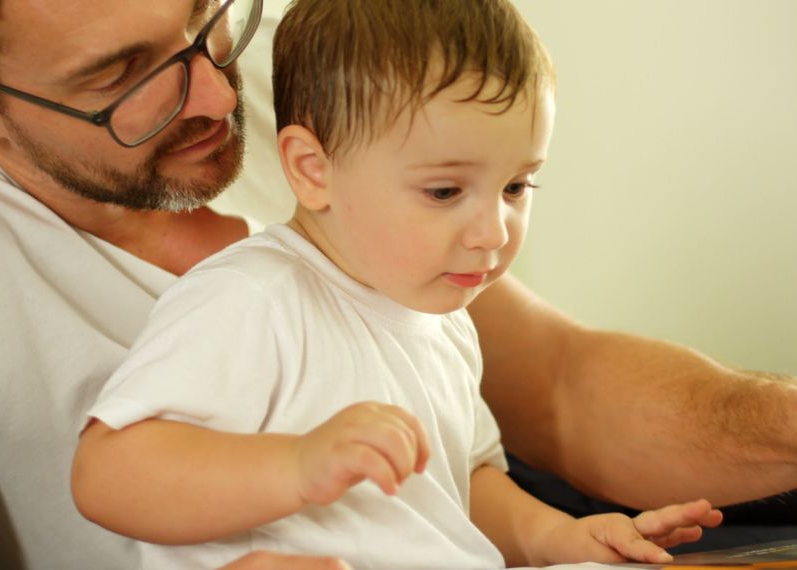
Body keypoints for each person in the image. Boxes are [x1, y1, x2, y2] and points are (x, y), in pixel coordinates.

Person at [0, 0, 797, 568]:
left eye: (205, 16)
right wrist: (291, 472)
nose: (208, 93)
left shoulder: (279, 85)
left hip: (480, 513)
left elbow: (550, 385)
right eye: (120, 79)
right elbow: (114, 475)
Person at [69, 0, 723, 567]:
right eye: (445, 190)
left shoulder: (441, 320)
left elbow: (460, 481)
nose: (494, 232)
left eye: (517, 186)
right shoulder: (253, 297)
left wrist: (561, 538)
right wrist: (298, 465)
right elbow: (107, 475)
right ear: (313, 170)